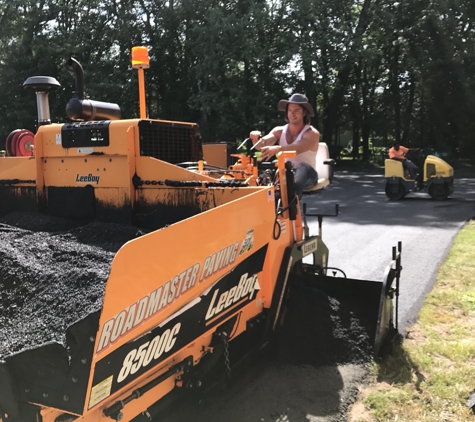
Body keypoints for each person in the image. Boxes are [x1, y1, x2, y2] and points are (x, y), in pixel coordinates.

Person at [250, 93, 320, 198]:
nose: (292, 114)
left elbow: (297, 148)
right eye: (290, 110)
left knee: (303, 167)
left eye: (296, 110)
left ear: (304, 112)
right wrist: (255, 138)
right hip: (287, 173)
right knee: (273, 167)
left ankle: (292, 206)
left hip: (308, 176)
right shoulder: (279, 130)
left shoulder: (312, 133)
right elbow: (262, 145)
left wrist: (278, 148)